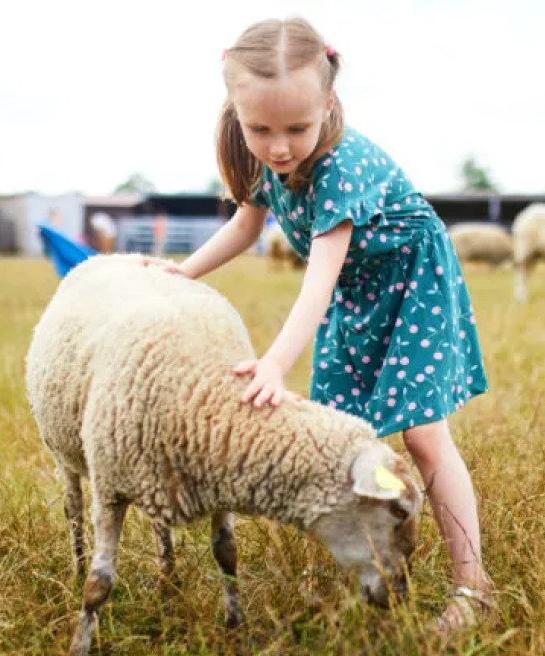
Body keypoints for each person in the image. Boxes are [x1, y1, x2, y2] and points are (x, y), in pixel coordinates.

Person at [148, 17, 491, 632]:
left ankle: (474, 587)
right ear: (236, 110)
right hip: (360, 291)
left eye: (296, 129)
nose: (279, 146)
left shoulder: (341, 166)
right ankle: (359, 565)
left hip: (410, 285)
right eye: (260, 129)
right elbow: (245, 228)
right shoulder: (261, 158)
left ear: (328, 103)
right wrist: (182, 274)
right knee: (340, 433)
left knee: (423, 436)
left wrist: (277, 360)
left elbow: (320, 275)